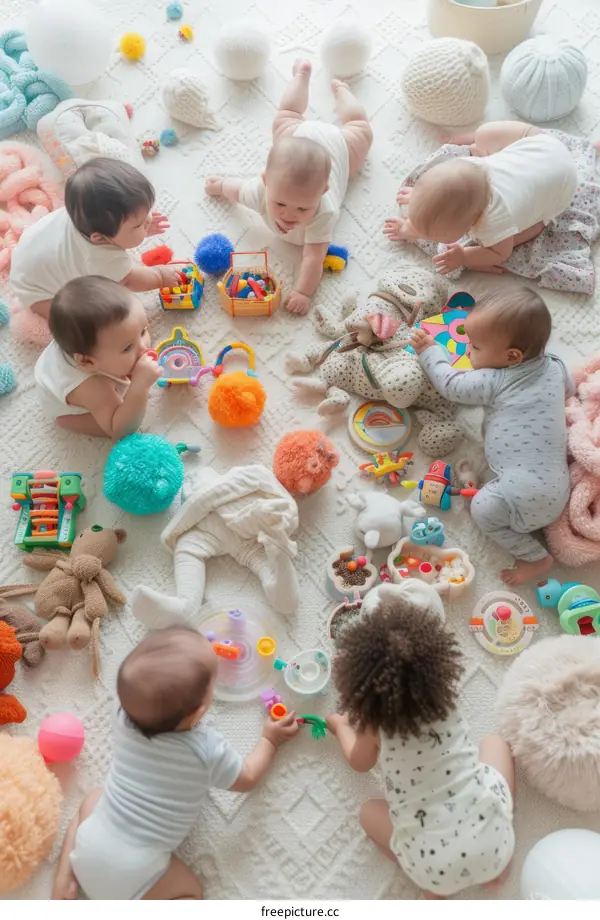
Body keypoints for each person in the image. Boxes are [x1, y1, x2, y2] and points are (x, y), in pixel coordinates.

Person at [51, 627, 299, 900]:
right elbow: (249, 776)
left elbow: (155, 679)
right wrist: (270, 739)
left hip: (89, 847)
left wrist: (196, 655)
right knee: (191, 892)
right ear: (197, 712)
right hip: (138, 877)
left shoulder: (121, 712)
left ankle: (65, 876)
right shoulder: (205, 749)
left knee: (93, 799)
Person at [327, 582, 515, 900]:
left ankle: (433, 889)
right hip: (494, 846)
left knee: (367, 814)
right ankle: (496, 873)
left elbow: (359, 763)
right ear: (439, 663)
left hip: (432, 865)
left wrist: (341, 727)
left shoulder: (375, 724)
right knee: (495, 743)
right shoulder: (445, 698)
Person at [410, 287, 571, 584]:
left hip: (523, 496)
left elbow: (450, 384)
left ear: (512, 356)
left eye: (476, 347)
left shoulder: (495, 379)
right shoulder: (556, 367)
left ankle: (536, 557)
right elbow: (569, 390)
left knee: (481, 510)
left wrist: (429, 351)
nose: (468, 351)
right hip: (558, 486)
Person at [205, 60, 372, 315]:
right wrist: (222, 185)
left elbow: (313, 258)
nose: (288, 215)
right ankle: (301, 75)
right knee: (286, 116)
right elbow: (237, 191)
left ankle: (342, 91)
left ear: (324, 191)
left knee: (360, 128)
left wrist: (303, 292)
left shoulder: (324, 213)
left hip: (339, 145)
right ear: (265, 181)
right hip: (297, 133)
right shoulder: (260, 191)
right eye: (280, 203)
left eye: (303, 208)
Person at [384, 121, 578, 275]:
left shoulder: (495, 223)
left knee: (522, 233)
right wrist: (425, 197)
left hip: (563, 187)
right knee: (486, 133)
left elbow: (500, 254)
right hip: (541, 145)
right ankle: (478, 138)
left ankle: (542, 221)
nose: (417, 230)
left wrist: (464, 257)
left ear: (471, 225)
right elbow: (444, 191)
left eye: (430, 235)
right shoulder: (467, 165)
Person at [10, 157, 180, 320]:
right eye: (137, 225)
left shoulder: (84, 213)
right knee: (73, 316)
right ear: (99, 238)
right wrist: (160, 277)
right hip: (34, 290)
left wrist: (141, 227)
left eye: (146, 213)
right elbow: (130, 280)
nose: (148, 220)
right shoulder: (103, 258)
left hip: (27, 248)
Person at [34, 276, 161, 438]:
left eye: (143, 331)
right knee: (114, 428)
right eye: (128, 347)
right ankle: (65, 420)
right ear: (88, 362)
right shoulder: (94, 387)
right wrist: (139, 386)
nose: (144, 347)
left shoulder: (98, 348)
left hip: (61, 357)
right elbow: (120, 430)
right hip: (53, 391)